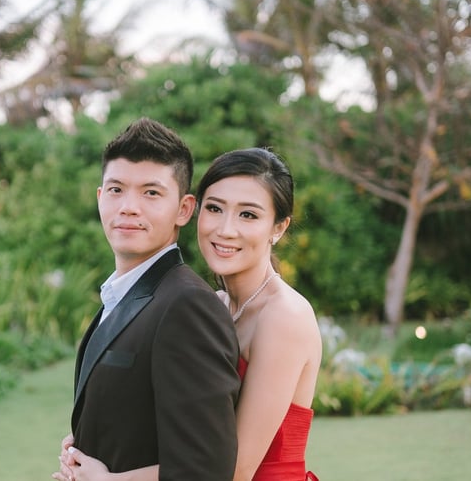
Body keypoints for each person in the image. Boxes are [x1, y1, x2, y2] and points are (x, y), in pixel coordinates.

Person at [55, 147, 322, 481]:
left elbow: (234, 469)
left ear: (279, 228)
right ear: (194, 210)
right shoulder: (216, 304)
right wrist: (93, 444)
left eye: (248, 215)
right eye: (215, 208)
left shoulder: (284, 316)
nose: (225, 229)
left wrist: (110, 480)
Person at [53, 118, 241, 481]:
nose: (129, 207)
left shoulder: (187, 305)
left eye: (151, 193)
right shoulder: (120, 295)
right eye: (116, 190)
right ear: (99, 198)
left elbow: (206, 468)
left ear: (184, 210)